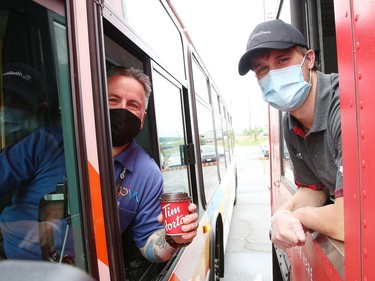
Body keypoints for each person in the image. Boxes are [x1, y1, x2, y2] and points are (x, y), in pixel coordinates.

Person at [0, 65, 198, 268]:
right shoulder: (46, 143)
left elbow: (150, 246)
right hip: (13, 267)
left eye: (133, 105)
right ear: (97, 104)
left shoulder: (148, 174)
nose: (122, 109)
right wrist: (14, 228)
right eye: (113, 100)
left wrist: (174, 238)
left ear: (142, 118)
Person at [238, 19, 343, 250]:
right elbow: (313, 189)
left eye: (283, 60)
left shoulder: (346, 106)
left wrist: (300, 217)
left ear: (310, 60)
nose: (273, 74)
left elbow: (352, 219)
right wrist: (280, 216)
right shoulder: (291, 124)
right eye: (262, 69)